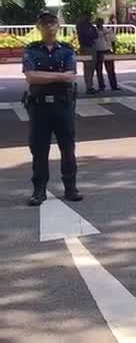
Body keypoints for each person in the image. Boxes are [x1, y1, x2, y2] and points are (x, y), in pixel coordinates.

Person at [22, 12, 83, 206]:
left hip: (62, 105)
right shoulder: (31, 51)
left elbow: (71, 76)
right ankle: (39, 190)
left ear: (58, 27)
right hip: (39, 107)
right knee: (39, 149)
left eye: (53, 23)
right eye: (45, 24)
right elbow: (30, 77)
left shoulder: (66, 50)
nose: (49, 27)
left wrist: (43, 76)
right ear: (38, 27)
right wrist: (59, 76)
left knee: (67, 147)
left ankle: (71, 188)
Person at [94, 17, 120, 92]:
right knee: (99, 70)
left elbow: (113, 41)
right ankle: (101, 86)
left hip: (107, 51)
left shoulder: (108, 30)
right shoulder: (94, 31)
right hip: (98, 51)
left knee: (111, 70)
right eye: (97, 22)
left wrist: (114, 51)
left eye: (100, 22)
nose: (99, 24)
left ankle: (114, 86)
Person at [75, 16, 98, 94]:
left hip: (89, 46)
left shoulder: (87, 27)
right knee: (88, 67)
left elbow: (95, 35)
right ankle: (89, 86)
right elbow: (93, 35)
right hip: (87, 47)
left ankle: (90, 85)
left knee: (90, 67)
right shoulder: (82, 27)